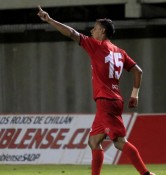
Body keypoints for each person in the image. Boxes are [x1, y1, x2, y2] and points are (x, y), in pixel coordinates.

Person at [37, 5, 155, 175]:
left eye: (94, 28)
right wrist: (134, 95)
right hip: (113, 100)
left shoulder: (96, 46)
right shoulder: (120, 52)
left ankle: (146, 173)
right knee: (93, 141)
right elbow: (138, 71)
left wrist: (49, 20)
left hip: (106, 101)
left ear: (102, 31)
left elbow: (71, 33)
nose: (92, 31)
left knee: (119, 141)